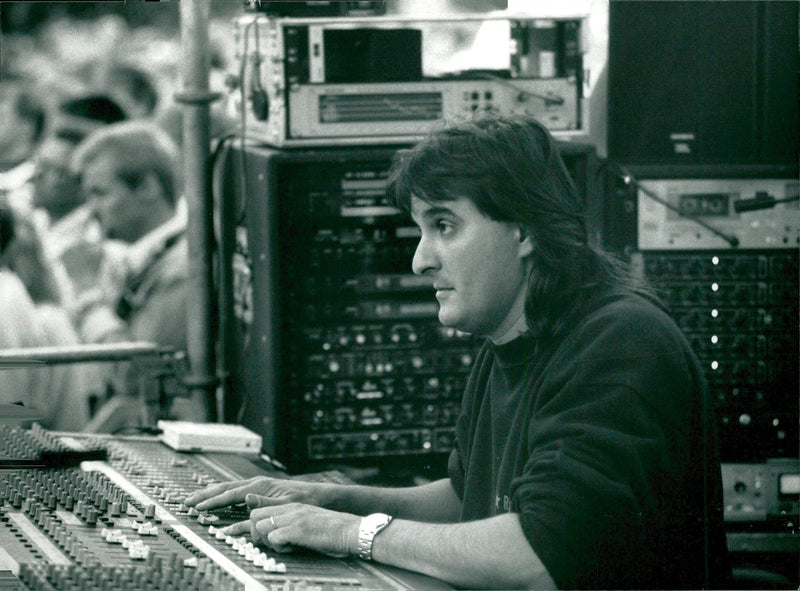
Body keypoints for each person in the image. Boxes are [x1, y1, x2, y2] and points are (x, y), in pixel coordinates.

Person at [184, 112, 730, 590]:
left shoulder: (620, 342)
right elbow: (468, 501)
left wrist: (351, 533)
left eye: (444, 225)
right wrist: (332, 501)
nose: (420, 261)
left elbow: (539, 555)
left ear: (524, 230)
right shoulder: (516, 336)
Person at [69, 120, 208, 426]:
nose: (90, 211)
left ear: (147, 187)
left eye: (100, 194)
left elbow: (136, 378)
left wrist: (87, 294)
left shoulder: (184, 268)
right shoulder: (136, 255)